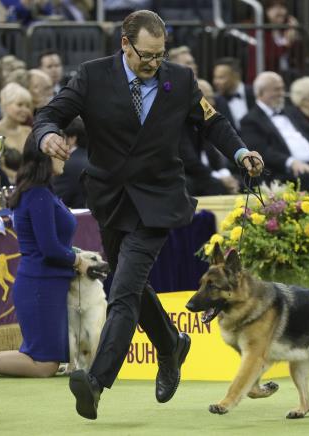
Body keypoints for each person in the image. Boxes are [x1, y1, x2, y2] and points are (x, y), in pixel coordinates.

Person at [32, 9, 263, 420]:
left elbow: (213, 124)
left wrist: (242, 153)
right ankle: (171, 344)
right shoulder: (91, 75)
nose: (154, 63)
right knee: (133, 287)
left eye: (160, 55)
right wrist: (48, 135)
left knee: (122, 290)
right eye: (146, 55)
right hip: (111, 199)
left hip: (159, 201)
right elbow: (50, 114)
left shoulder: (181, 79)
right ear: (125, 43)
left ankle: (97, 382)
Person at [0, 132, 94, 377]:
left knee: (37, 355)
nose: (67, 153)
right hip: (40, 284)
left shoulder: (41, 192)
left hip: (45, 282)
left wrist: (75, 256)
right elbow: (49, 248)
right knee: (43, 364)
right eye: (62, 149)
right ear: (47, 155)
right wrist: (79, 261)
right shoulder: (39, 195)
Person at [240, 71, 309, 191]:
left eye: (282, 89)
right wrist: (291, 162)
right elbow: (262, 151)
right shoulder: (250, 120)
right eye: (276, 90)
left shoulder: (291, 112)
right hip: (284, 172)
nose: (281, 93)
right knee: (308, 177)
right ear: (260, 93)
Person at [0, 82, 33, 182]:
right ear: (5, 105)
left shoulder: (29, 131)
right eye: (19, 105)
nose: (25, 110)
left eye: (28, 106)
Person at [52, 116, 89, 208]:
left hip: (78, 219)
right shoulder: (94, 158)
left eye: (60, 136)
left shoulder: (66, 165)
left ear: (72, 138)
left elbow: (58, 201)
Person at [212, 57, 254, 131]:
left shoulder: (255, 94)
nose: (216, 82)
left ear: (236, 76)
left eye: (221, 77)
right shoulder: (215, 102)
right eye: (215, 77)